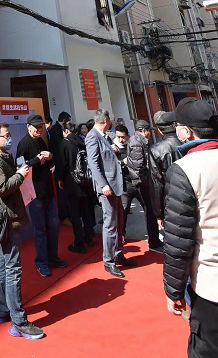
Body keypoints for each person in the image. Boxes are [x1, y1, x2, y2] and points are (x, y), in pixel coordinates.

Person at [163, 98, 218, 357]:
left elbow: (178, 239)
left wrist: (173, 290)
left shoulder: (185, 169)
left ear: (186, 131)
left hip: (210, 284)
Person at [0, 122, 44, 340]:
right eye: (6, 135)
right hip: (6, 219)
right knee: (13, 269)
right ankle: (18, 321)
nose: (9, 138)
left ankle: (3, 310)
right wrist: (19, 175)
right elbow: (2, 188)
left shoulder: (2, 156)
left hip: (7, 216)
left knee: (3, 265)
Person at [85, 108, 135, 277]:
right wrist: (103, 185)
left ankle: (118, 254)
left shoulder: (104, 136)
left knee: (119, 222)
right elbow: (93, 163)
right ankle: (109, 261)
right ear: (105, 121)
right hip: (107, 187)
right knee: (111, 224)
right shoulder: (92, 136)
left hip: (115, 185)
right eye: (110, 119)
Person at [16, 114, 67, 277]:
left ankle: (53, 257)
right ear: (28, 127)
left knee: (54, 225)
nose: (39, 130)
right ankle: (42, 262)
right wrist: (36, 160)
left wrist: (50, 158)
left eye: (41, 127)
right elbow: (20, 168)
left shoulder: (41, 141)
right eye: (36, 127)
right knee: (40, 229)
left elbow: (49, 163)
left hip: (47, 191)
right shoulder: (24, 144)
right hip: (34, 193)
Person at [123, 120, 162, 253]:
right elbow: (138, 166)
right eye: (149, 131)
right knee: (149, 211)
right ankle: (154, 242)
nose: (150, 133)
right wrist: (145, 181)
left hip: (137, 182)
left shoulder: (138, 140)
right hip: (138, 183)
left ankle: (154, 241)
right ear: (144, 130)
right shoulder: (136, 142)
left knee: (149, 211)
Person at [58, 121, 95, 253]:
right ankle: (89, 237)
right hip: (86, 181)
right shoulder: (82, 142)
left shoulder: (64, 143)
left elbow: (62, 164)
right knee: (86, 211)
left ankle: (79, 242)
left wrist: (60, 178)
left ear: (66, 131)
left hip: (72, 182)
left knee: (74, 214)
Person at [149, 110, 180, 223]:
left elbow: (156, 183)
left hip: (171, 200)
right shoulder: (187, 141)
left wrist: (158, 213)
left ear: (159, 129)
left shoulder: (156, 150)